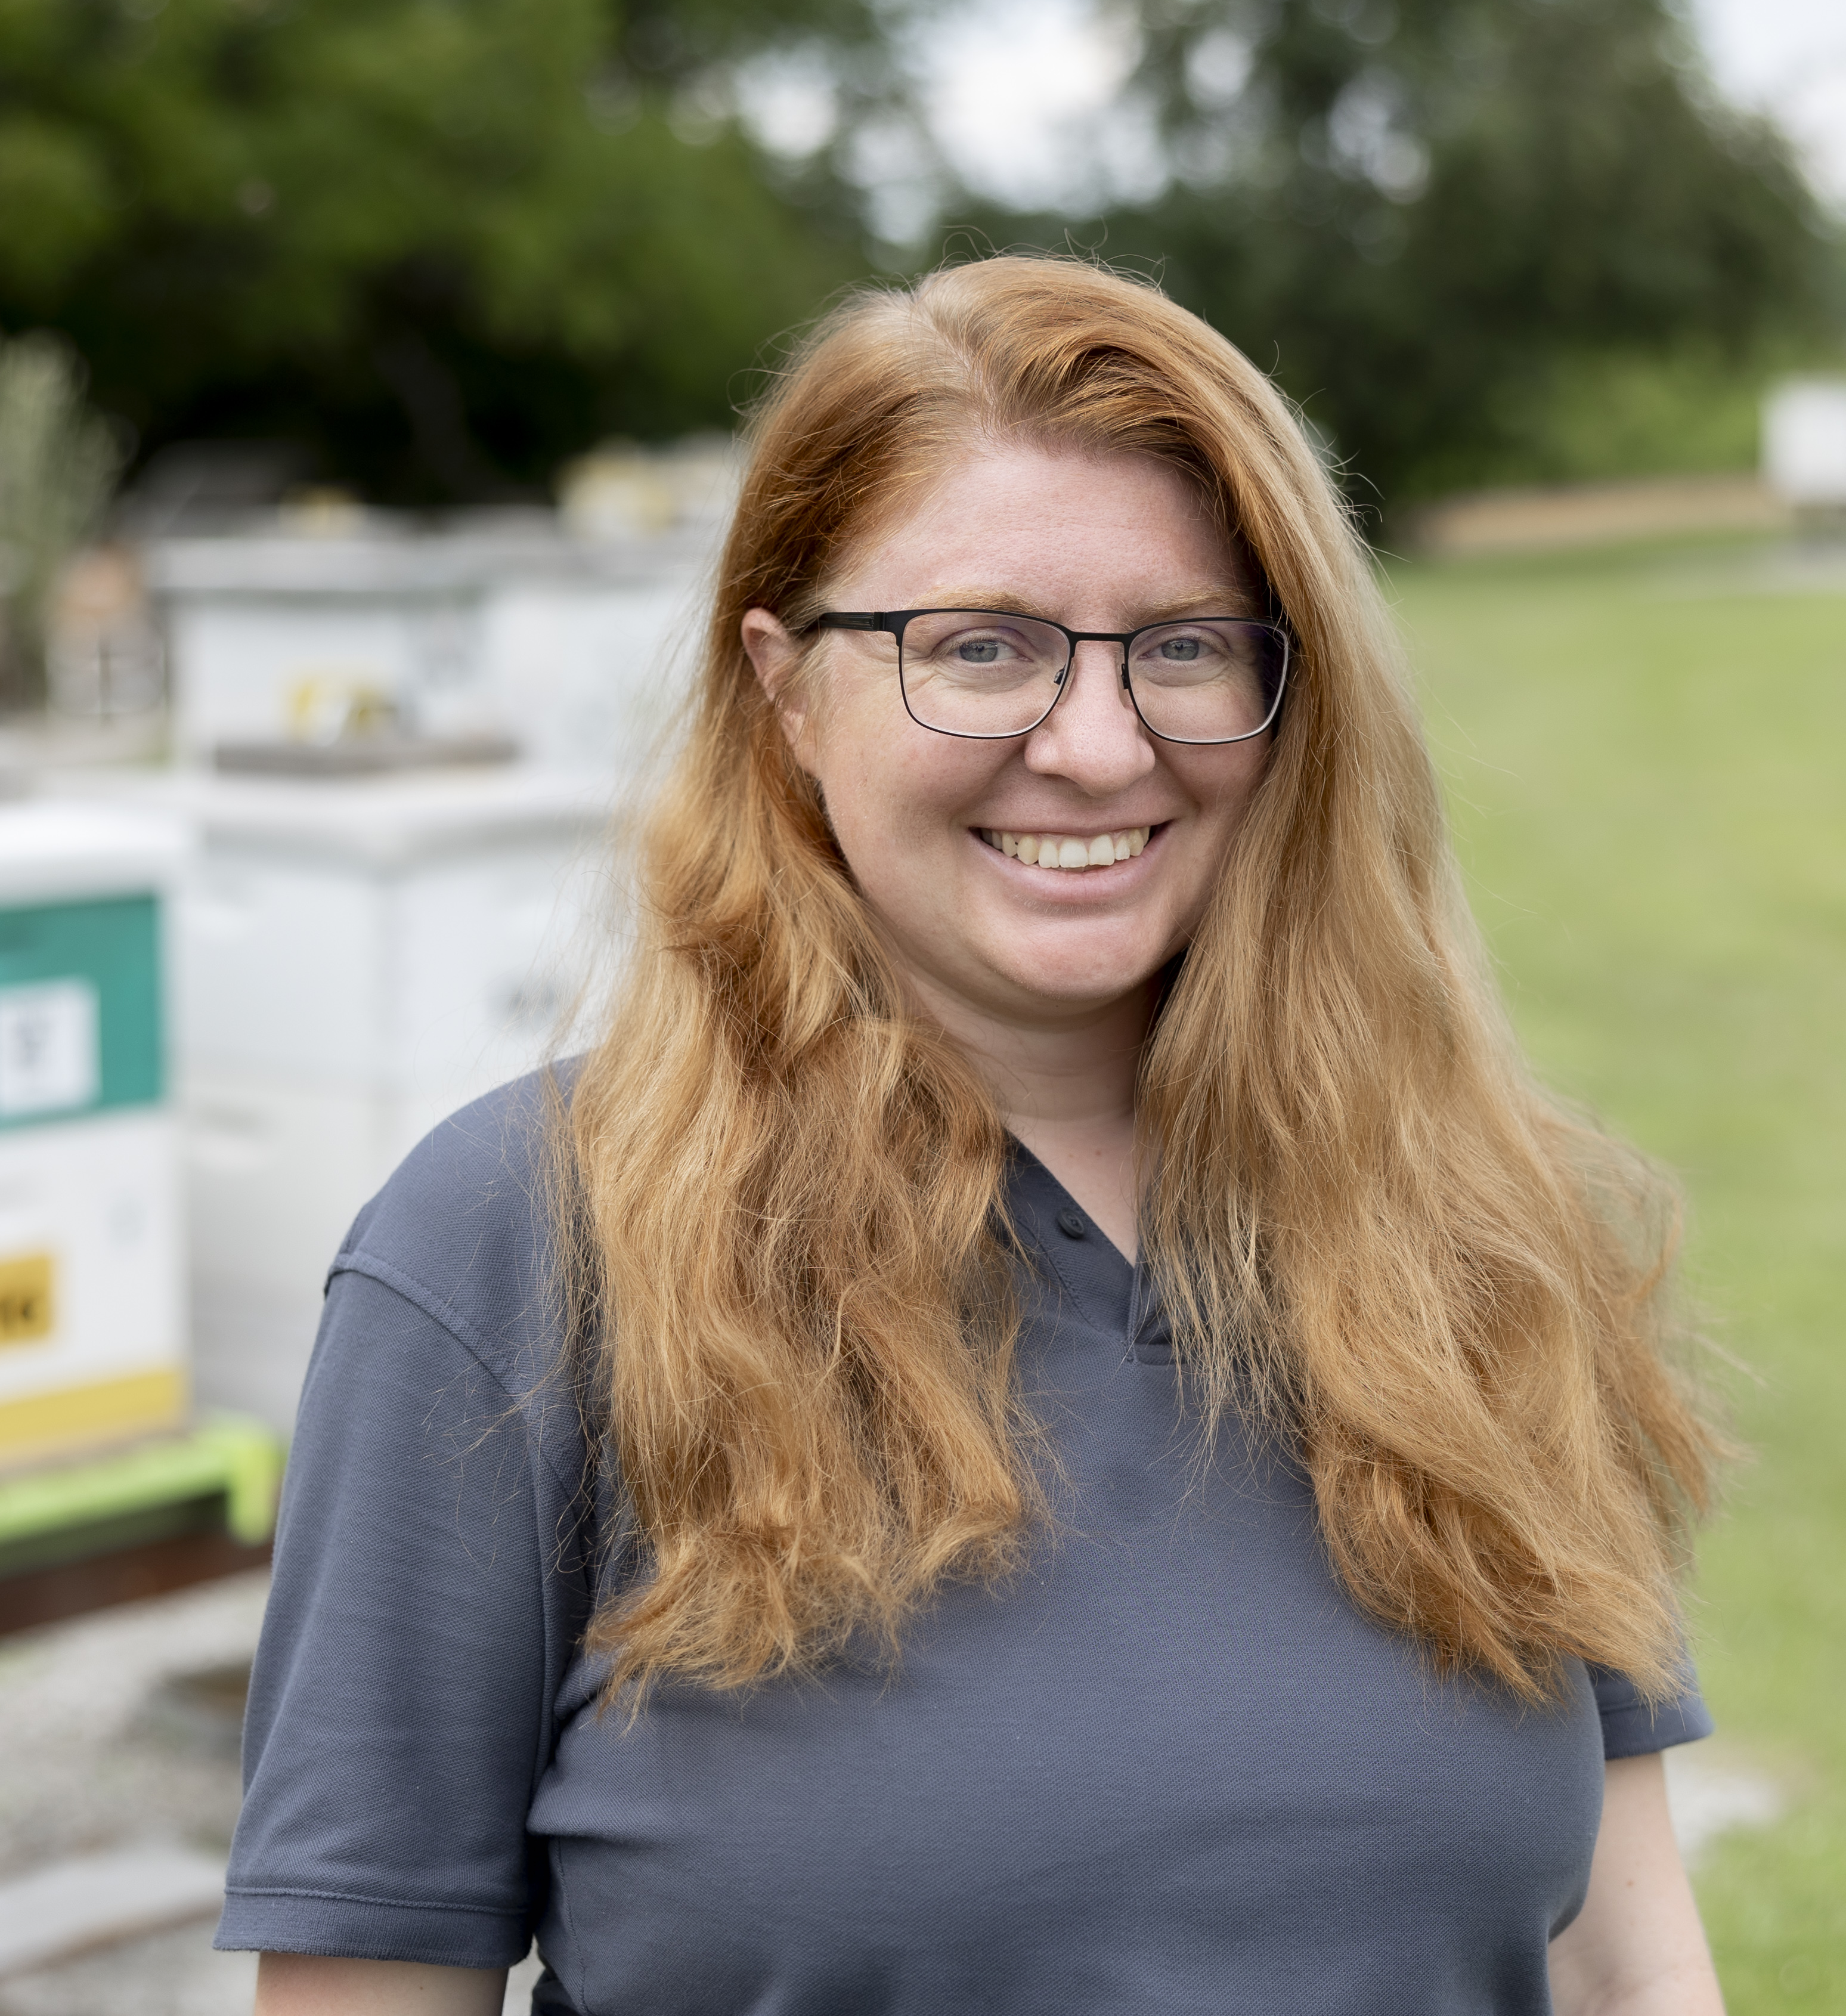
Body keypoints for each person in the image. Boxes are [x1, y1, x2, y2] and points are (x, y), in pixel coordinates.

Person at [221, 256, 1730, 2015]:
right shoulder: (517, 1249)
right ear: (783, 690)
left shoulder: (1472, 1224)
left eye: (1181, 646)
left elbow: (1631, 1968)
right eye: (978, 648)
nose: (1094, 745)